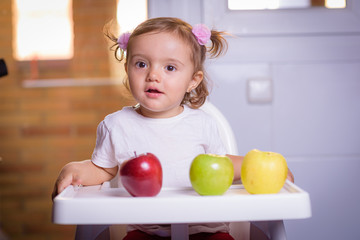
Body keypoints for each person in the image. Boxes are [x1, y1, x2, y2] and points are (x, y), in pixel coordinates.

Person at [52, 17, 294, 240]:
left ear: (193, 81)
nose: (153, 75)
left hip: (205, 229)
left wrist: (267, 171)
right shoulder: (116, 125)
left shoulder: (202, 123)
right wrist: (78, 169)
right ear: (127, 69)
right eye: (141, 64)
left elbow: (221, 165)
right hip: (146, 230)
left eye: (169, 68)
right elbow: (103, 170)